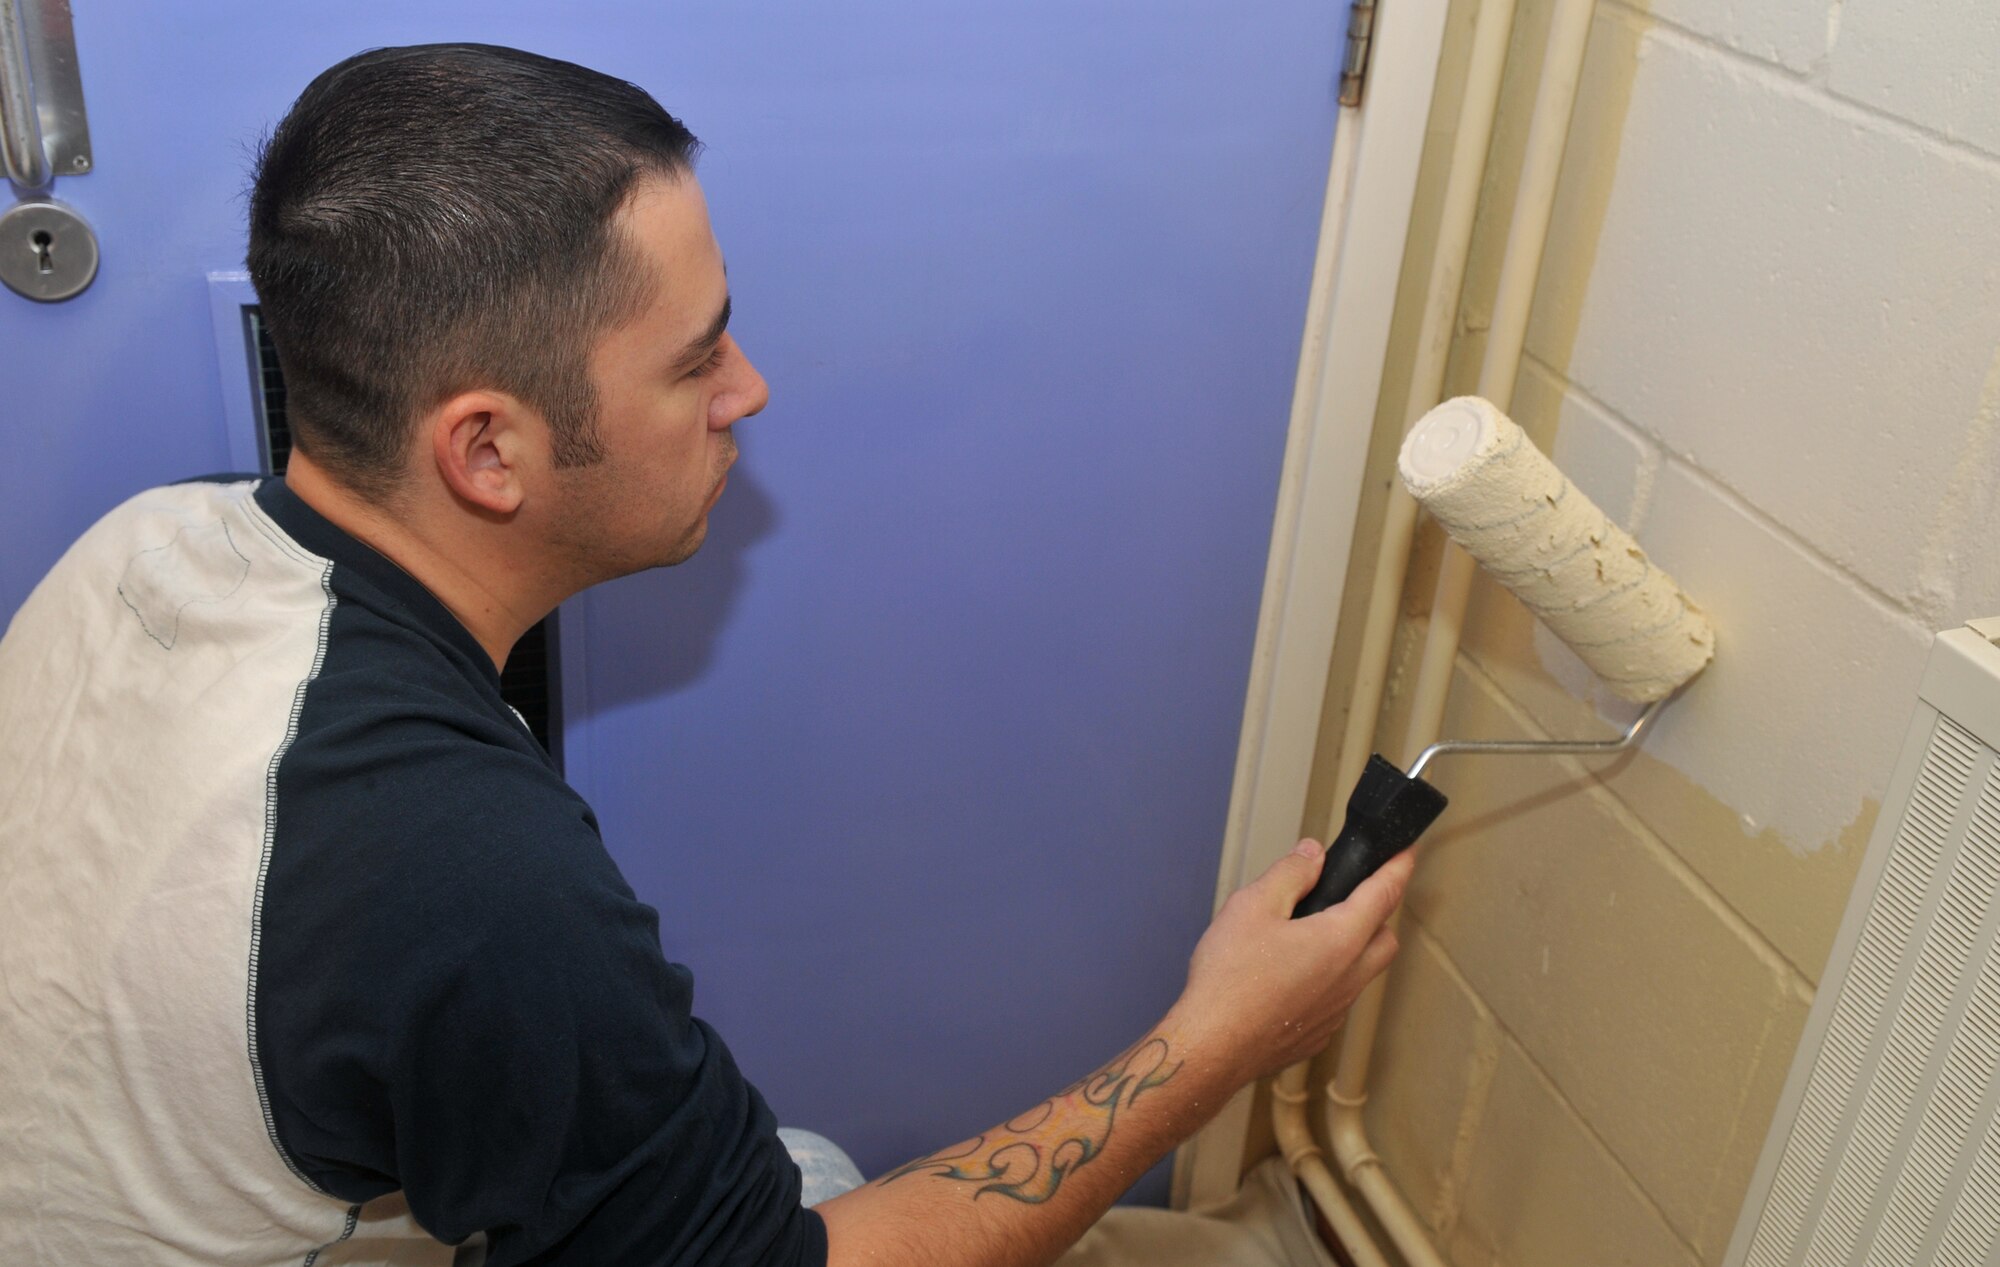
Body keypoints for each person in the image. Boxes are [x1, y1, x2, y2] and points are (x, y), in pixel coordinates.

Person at [0, 44, 1411, 1267]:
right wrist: (1215, 1042)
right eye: (694, 362)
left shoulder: (149, 546)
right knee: (820, 1195)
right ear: (488, 450)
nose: (749, 392)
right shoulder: (455, 870)